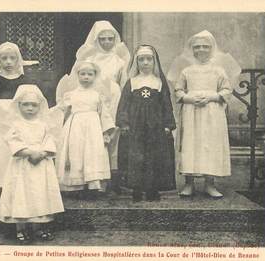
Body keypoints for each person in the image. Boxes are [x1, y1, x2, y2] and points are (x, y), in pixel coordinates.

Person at [56, 21, 130, 193]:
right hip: (91, 99)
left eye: (110, 39)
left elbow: (124, 82)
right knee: (89, 140)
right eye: (102, 39)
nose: (106, 42)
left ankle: (111, 177)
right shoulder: (89, 60)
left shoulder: (120, 61)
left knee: (111, 134)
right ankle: (86, 176)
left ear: (115, 40)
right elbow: (77, 79)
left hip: (113, 98)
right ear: (96, 40)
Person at [167, 30, 241, 199]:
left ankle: (210, 184)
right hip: (191, 112)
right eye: (197, 47)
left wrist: (212, 96)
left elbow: (226, 90)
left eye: (205, 47)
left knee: (210, 144)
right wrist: (189, 98)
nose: (201, 50)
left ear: (212, 49)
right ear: (192, 50)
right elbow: (178, 90)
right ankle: (189, 183)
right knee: (190, 144)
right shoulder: (187, 71)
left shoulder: (218, 70)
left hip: (212, 112)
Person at [0, 84, 64, 244]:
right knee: (22, 194)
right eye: (25, 104)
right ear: (18, 105)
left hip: (41, 163)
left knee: (40, 193)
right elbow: (12, 141)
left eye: (33, 105)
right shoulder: (15, 125)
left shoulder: (44, 124)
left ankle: (40, 227)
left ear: (39, 106)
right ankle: (21, 228)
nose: (30, 108)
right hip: (23, 163)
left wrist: (43, 153)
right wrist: (28, 152)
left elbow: (51, 139)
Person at [116, 45, 176, 202]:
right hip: (135, 128)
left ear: (154, 62)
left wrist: (168, 125)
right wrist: (124, 123)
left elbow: (166, 105)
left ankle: (152, 189)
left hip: (155, 128)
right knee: (136, 157)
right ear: (136, 62)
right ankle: (136, 189)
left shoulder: (159, 82)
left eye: (149, 59)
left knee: (154, 157)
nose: (145, 63)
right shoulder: (131, 82)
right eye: (141, 59)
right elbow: (124, 105)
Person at [0, 42, 37, 187]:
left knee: (18, 148)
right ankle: (1, 182)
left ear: (18, 60)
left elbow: (30, 99)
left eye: (12, 58)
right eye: (4, 58)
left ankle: (19, 182)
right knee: (0, 150)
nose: (8, 62)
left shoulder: (24, 81)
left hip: (18, 118)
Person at [55, 61, 115, 199]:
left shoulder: (97, 95)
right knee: (76, 153)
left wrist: (105, 132)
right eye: (83, 74)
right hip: (75, 127)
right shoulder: (70, 95)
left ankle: (92, 186)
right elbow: (62, 113)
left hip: (94, 128)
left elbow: (104, 114)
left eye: (90, 74)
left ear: (95, 76)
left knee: (92, 153)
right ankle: (77, 186)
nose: (86, 77)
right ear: (78, 76)